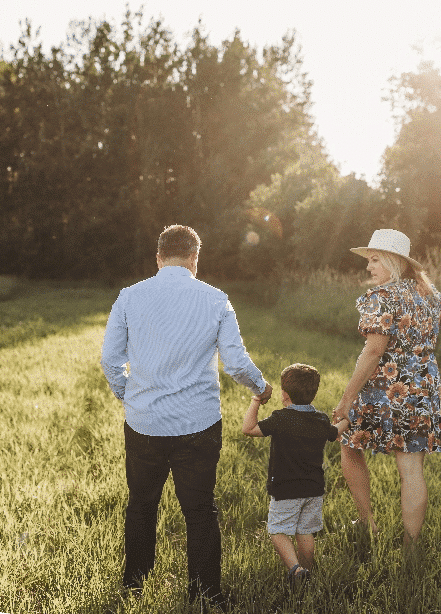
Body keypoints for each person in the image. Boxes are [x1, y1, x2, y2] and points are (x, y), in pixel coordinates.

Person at [100, 224, 272, 609]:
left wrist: (129, 395)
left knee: (141, 505)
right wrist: (260, 388)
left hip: (144, 423)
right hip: (198, 424)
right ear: (195, 258)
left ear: (159, 257)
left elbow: (111, 359)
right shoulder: (215, 299)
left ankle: (135, 585)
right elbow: (236, 361)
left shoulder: (129, 296)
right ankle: (206, 592)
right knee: (200, 509)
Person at [331, 229, 441, 551]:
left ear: (393, 262)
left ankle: (367, 522)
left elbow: (373, 352)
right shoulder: (428, 295)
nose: (368, 267)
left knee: (348, 442)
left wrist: (346, 400)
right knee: (411, 469)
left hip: (386, 388)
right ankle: (412, 547)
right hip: (423, 387)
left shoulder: (383, 297)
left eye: (374, 260)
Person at [242, 363, 350, 586]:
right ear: (314, 393)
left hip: (285, 488)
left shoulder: (281, 419)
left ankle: (295, 569)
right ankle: (307, 572)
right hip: (313, 489)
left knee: (278, 531)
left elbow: (248, 429)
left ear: (284, 395)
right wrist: (346, 419)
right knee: (306, 531)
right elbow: (336, 431)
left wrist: (255, 401)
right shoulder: (320, 420)